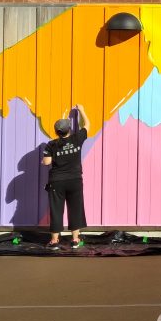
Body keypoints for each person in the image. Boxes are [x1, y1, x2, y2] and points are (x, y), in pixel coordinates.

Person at [42, 104, 90, 250]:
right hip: (75, 180)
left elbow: (47, 162)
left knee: (56, 210)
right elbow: (87, 125)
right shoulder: (77, 139)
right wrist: (81, 110)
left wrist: (44, 159)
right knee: (75, 209)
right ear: (69, 129)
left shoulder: (51, 145)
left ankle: (54, 241)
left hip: (57, 182)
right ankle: (75, 240)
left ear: (56, 132)